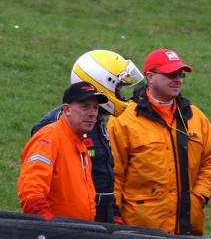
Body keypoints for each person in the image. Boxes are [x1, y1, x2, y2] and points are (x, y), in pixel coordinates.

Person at [107, 48, 211, 236]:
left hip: (186, 228)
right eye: (171, 74)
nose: (177, 79)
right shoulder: (123, 118)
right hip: (139, 230)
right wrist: (114, 216)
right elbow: (114, 173)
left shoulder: (196, 117)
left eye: (180, 74)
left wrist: (198, 197)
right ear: (150, 77)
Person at [31, 50, 145, 224]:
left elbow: (101, 173)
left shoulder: (96, 119)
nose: (122, 95)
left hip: (99, 216)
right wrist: (47, 222)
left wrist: (112, 215)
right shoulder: (55, 126)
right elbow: (35, 183)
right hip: (69, 223)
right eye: (118, 88)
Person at [18, 82, 109, 221]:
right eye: (85, 107)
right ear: (67, 110)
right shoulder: (49, 138)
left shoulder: (80, 143)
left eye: (96, 108)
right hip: (56, 235)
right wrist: (47, 224)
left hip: (75, 233)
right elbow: (31, 189)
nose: (93, 114)